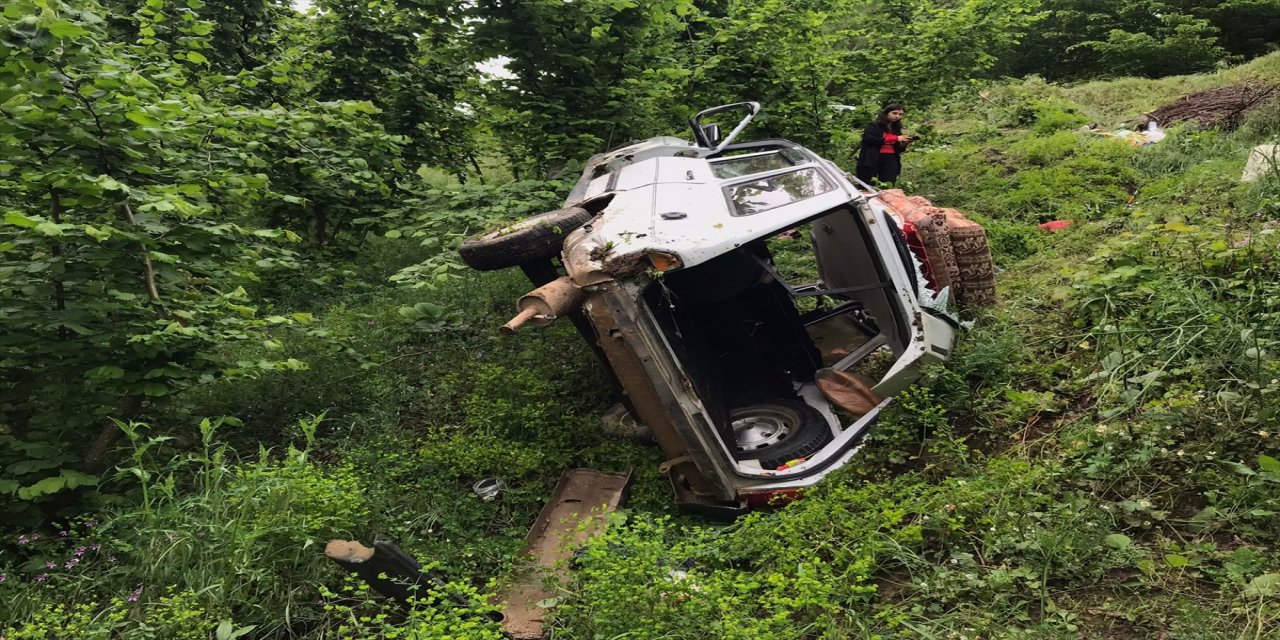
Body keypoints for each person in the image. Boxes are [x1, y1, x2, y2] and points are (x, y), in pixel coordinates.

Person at [856, 103, 915, 185]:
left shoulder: (896, 129)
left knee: (888, 184)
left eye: (900, 114)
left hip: (890, 158)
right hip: (873, 157)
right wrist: (896, 138)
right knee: (867, 184)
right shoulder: (873, 126)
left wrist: (904, 143)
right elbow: (869, 140)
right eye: (894, 113)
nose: (897, 116)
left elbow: (898, 149)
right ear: (886, 113)